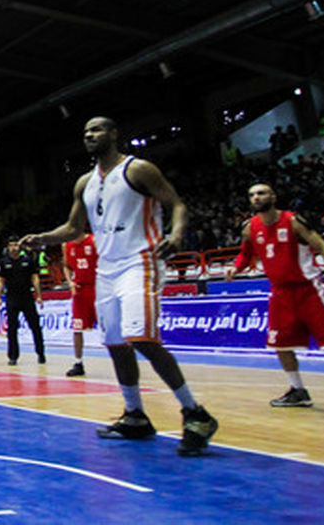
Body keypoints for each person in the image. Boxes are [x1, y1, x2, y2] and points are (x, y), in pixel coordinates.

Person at [19, 116, 218, 457]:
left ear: (113, 133)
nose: (89, 136)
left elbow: (177, 203)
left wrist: (177, 233)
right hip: (106, 269)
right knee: (115, 344)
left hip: (140, 261)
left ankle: (195, 413)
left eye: (96, 130)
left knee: (141, 337)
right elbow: (73, 227)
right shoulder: (84, 182)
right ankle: (135, 415)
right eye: (85, 132)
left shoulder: (138, 169)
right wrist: (41, 238)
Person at [226, 183, 324, 407]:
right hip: (280, 293)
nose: (256, 198)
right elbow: (246, 255)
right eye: (252, 195)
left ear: (273, 196)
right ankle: (298, 390)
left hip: (308, 289)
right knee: (280, 345)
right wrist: (236, 268)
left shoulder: (292, 221)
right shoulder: (249, 227)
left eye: (261, 193)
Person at [0, 240, 44, 366]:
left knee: (35, 326)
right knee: (12, 329)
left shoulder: (28, 261)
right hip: (12, 297)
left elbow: (35, 278)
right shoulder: (3, 262)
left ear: (20, 246)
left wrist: (39, 296)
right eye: (11, 245)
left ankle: (40, 353)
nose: (13, 247)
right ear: (8, 247)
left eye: (16, 245)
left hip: (27, 296)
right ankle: (13, 356)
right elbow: (0, 280)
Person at [62, 233, 98, 377]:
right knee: (77, 328)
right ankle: (78, 362)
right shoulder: (66, 245)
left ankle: (121, 361)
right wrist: (70, 281)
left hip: (98, 287)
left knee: (110, 327)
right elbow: (66, 266)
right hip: (80, 290)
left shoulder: (94, 240)